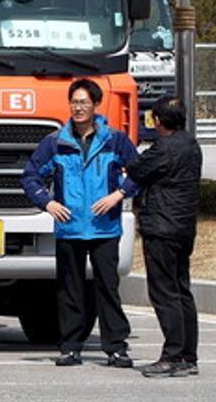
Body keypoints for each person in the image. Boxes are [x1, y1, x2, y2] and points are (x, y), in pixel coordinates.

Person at [21, 78, 139, 368]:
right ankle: (70, 346)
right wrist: (47, 203)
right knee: (69, 290)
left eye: (84, 102)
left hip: (104, 227)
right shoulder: (55, 142)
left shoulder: (114, 139)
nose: (78, 107)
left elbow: (139, 171)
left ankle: (116, 348)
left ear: (96, 104)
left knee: (107, 288)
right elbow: (30, 176)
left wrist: (118, 195)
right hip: (70, 228)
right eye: (74, 102)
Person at [125, 97, 203, 378]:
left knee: (164, 291)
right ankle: (187, 355)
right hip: (183, 227)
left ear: (157, 120)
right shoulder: (191, 144)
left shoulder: (164, 148)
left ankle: (172, 355)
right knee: (181, 289)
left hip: (162, 226)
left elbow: (136, 168)